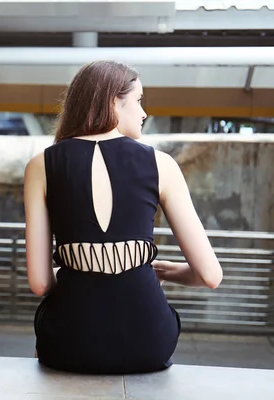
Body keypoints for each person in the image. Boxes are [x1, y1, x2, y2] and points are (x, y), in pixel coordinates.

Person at [23, 60, 223, 374]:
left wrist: (80, 269)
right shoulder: (161, 164)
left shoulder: (41, 165)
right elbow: (210, 276)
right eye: (139, 100)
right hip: (148, 340)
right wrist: (167, 272)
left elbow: (39, 282)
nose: (144, 113)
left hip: (68, 341)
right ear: (114, 100)